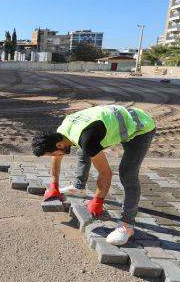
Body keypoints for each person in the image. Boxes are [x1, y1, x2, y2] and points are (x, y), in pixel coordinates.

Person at [31, 105, 156, 246]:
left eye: (52, 153)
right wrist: (54, 186)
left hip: (141, 128)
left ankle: (127, 225)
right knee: (83, 149)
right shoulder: (62, 132)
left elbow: (106, 173)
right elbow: (57, 157)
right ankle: (79, 188)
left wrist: (98, 201)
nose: (54, 156)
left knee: (128, 174)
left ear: (59, 145)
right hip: (108, 123)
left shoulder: (87, 139)